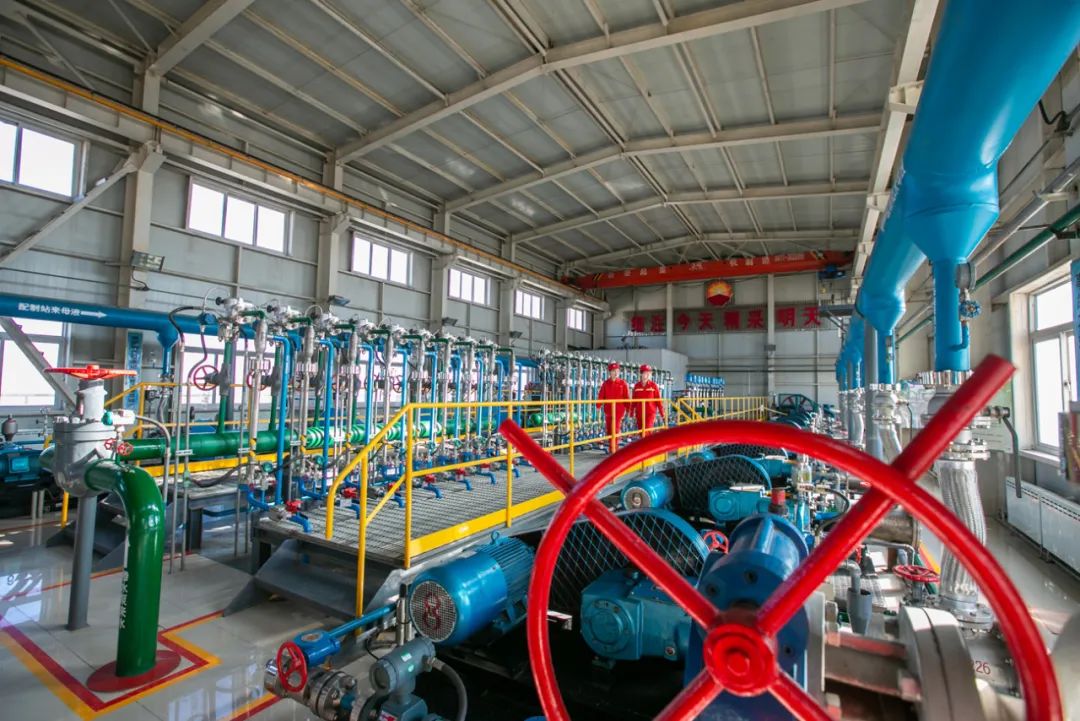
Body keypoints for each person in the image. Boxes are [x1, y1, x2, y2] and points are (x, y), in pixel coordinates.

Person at [597, 362, 630, 453]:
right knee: (609, 430)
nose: (615, 373)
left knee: (615, 430)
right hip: (608, 411)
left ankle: (614, 450)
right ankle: (613, 447)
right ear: (610, 372)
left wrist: (629, 409)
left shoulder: (622, 383)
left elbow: (626, 397)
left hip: (619, 411)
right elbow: (601, 396)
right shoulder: (606, 384)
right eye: (613, 371)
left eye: (617, 371)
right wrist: (598, 406)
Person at [633, 364, 666, 433]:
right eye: (646, 373)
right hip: (639, 413)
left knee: (647, 431)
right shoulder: (637, 386)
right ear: (641, 374)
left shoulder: (653, 386)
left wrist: (662, 414)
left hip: (650, 413)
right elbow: (634, 401)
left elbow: (658, 401)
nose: (648, 374)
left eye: (649, 373)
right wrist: (631, 413)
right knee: (641, 432)